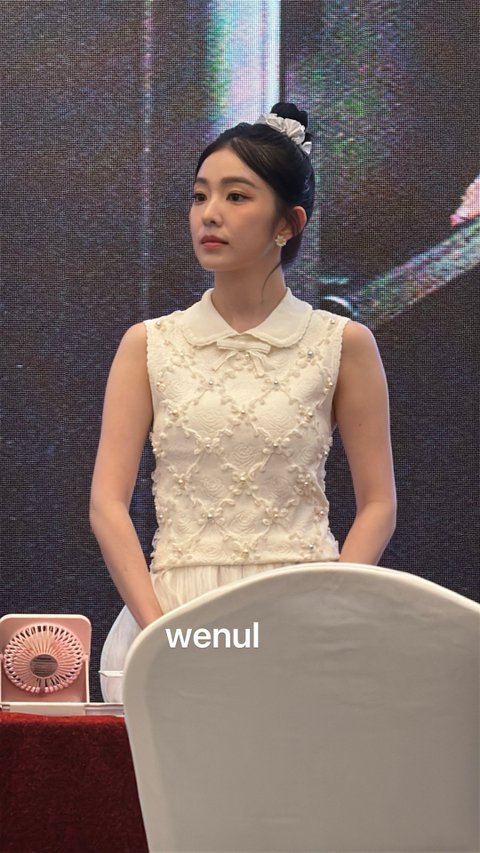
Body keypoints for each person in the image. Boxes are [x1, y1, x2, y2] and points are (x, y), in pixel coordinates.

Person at [90, 103, 397, 701]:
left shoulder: (342, 344)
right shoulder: (149, 344)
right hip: (173, 618)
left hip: (305, 621)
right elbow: (107, 503)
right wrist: (161, 632)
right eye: (199, 195)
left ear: (288, 223)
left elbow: (379, 503)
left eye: (236, 196)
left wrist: (327, 609)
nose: (210, 213)